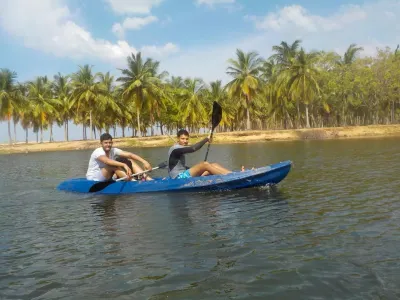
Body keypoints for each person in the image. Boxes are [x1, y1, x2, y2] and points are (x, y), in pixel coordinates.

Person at [167, 129, 232, 179]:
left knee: (214, 165)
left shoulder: (179, 148)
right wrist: (206, 139)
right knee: (205, 164)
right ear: (178, 138)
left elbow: (179, 166)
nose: (185, 141)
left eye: (187, 139)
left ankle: (233, 174)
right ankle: (227, 178)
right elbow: (193, 148)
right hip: (177, 177)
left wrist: (197, 169)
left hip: (184, 174)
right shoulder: (175, 149)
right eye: (182, 139)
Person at [86, 133, 152, 182]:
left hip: (108, 175)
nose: (108, 145)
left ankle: (147, 178)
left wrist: (144, 162)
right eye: (105, 143)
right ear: (101, 143)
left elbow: (129, 155)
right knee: (112, 165)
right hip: (94, 178)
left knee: (130, 160)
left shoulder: (113, 150)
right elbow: (107, 161)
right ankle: (133, 181)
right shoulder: (98, 152)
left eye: (110, 143)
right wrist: (124, 165)